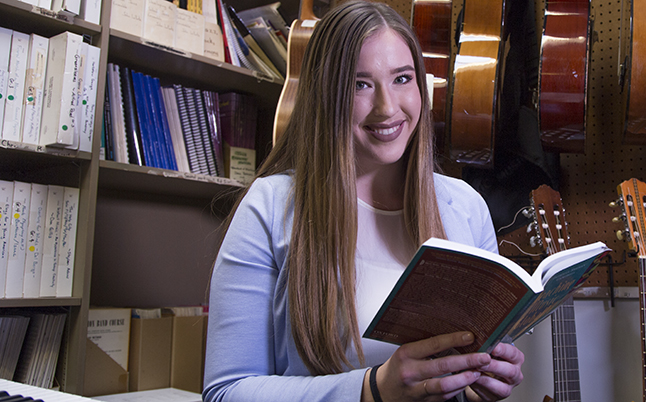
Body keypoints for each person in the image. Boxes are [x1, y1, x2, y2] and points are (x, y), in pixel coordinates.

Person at [202, 1, 525, 401]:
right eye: (360, 84)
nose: (387, 108)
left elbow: (473, 369)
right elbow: (226, 392)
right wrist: (372, 389)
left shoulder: (465, 206)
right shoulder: (269, 208)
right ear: (326, 94)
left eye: (402, 79)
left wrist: (483, 383)